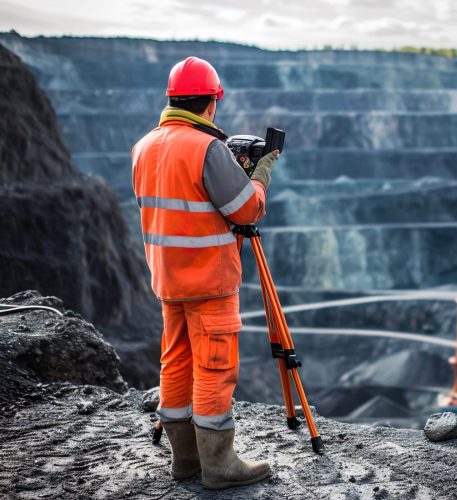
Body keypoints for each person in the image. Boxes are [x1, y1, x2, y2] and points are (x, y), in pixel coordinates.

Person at [131, 56, 278, 490]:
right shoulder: (207, 148)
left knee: (175, 363)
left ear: (172, 99)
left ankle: (185, 462)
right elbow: (245, 209)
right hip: (209, 282)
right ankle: (219, 465)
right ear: (212, 102)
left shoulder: (144, 146)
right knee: (214, 369)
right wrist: (260, 176)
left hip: (168, 280)